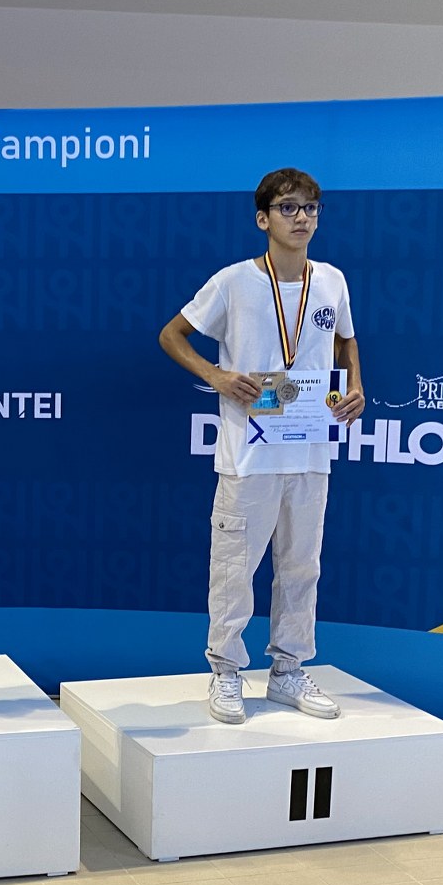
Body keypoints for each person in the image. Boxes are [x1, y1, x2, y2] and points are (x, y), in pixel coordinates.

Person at [159, 168, 364, 725]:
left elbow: (345, 339)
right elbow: (172, 334)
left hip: (311, 449)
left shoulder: (332, 281)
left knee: (302, 566)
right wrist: (218, 376)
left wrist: (356, 385)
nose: (302, 218)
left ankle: (288, 670)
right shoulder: (234, 281)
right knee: (234, 567)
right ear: (262, 219)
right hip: (249, 455)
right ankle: (226, 670)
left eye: (311, 208)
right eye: (289, 208)